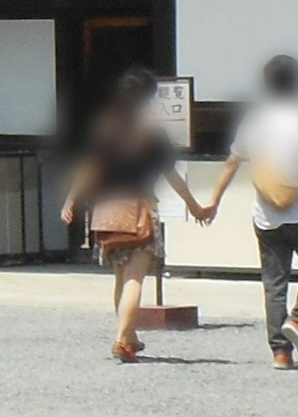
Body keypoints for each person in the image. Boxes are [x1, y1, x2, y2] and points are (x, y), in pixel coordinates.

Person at [60, 68, 203, 363]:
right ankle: (121, 340)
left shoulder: (105, 128)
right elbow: (171, 174)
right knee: (135, 280)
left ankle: (131, 336)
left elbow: (90, 167)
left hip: (106, 211)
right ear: (148, 97)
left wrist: (71, 199)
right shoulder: (151, 133)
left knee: (120, 280)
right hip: (139, 210)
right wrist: (194, 205)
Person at [199, 55, 298, 369]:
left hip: (266, 214)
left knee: (274, 282)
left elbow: (233, 163)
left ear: (266, 83)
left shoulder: (254, 120)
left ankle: (280, 353)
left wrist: (213, 201)